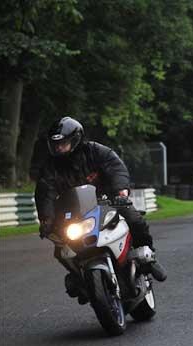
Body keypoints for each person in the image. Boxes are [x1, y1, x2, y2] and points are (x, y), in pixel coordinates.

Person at [35, 117, 167, 282]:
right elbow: (45, 192)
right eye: (56, 144)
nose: (59, 147)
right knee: (60, 248)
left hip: (108, 200)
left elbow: (116, 169)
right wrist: (46, 219)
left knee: (134, 218)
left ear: (75, 139)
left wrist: (121, 192)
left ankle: (148, 257)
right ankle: (79, 277)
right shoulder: (50, 167)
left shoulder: (96, 151)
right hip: (74, 212)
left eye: (63, 143)